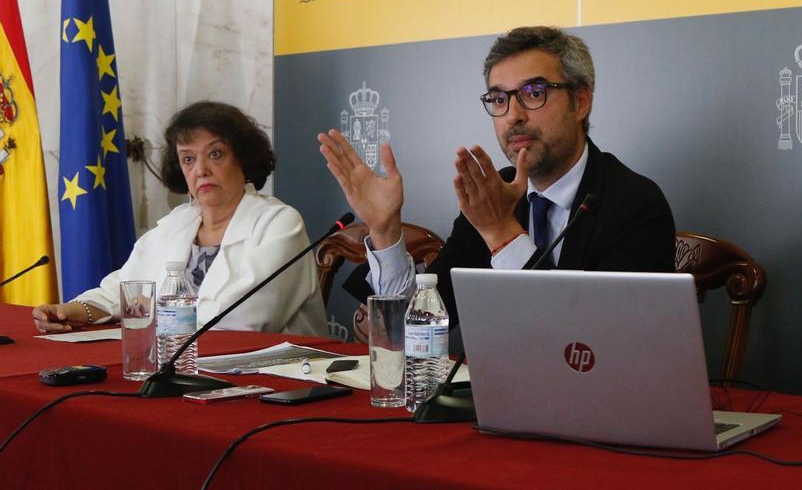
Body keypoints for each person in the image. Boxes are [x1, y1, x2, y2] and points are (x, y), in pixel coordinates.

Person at [320, 25, 676, 325]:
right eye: (499, 99)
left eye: (534, 93)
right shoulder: (495, 191)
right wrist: (384, 231)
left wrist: (501, 232)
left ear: (580, 102)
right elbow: (425, 322)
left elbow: (588, 345)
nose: (513, 115)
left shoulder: (634, 204)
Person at [33, 102, 326, 336]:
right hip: (185, 369)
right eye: (188, 158)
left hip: (273, 381)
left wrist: (153, 314)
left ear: (243, 159)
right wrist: (77, 310)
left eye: (215, 154)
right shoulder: (178, 223)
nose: (201, 170)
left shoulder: (280, 224)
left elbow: (247, 320)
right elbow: (125, 288)